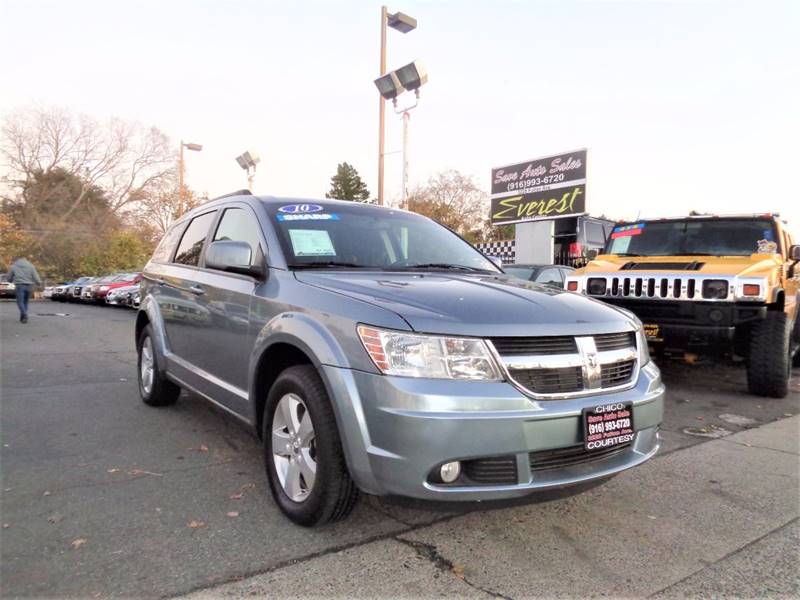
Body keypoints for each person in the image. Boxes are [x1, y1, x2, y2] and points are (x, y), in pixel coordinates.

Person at [7, 256, 41, 323]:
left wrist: (10, 281)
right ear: (26, 259)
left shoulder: (13, 266)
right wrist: (38, 282)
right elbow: (35, 276)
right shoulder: (31, 266)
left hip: (20, 286)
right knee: (26, 302)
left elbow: (9, 277)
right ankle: (23, 318)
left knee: (20, 302)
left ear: (17, 259)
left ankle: (24, 315)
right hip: (29, 286)